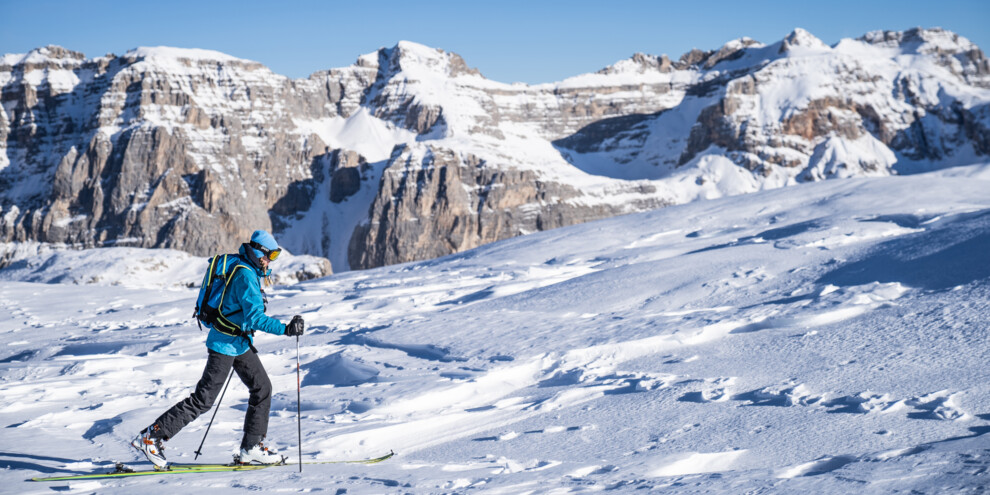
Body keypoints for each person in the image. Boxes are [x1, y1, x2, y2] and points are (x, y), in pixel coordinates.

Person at [131, 230, 305, 468]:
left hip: (238, 343)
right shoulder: (245, 275)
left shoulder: (246, 268)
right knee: (203, 400)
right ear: (257, 252)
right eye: (269, 255)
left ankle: (251, 448)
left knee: (262, 388)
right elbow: (255, 318)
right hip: (224, 345)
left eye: (274, 255)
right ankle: (151, 437)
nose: (270, 261)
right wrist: (286, 329)